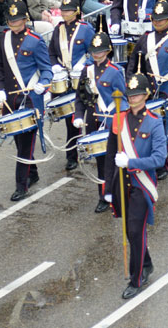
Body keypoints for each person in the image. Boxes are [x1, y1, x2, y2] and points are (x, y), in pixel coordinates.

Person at [103, 70, 166, 300]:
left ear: (146, 95)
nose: (132, 98)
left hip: (141, 186)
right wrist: (107, 190)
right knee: (132, 234)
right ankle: (146, 263)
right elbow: (111, 156)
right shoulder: (118, 118)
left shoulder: (154, 123)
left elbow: (159, 159)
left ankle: (137, 279)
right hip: (121, 185)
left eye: (137, 94)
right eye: (130, 94)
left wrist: (131, 162)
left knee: (134, 231)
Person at [0, 0, 52, 201]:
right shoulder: (4, 39)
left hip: (30, 101)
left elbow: (46, 70)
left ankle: (21, 186)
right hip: (11, 100)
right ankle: (32, 172)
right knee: (19, 142)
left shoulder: (35, 41)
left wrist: (42, 84)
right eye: (10, 20)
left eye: (16, 20)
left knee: (26, 144)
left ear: (25, 19)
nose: (12, 23)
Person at [126, 0, 168, 180]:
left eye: (161, 20)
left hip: (167, 91)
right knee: (148, 128)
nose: (158, 22)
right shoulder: (145, 38)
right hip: (147, 91)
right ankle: (163, 154)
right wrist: (130, 81)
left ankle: (162, 163)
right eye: (155, 19)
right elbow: (133, 62)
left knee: (162, 128)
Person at [72, 22, 126, 213]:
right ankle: (103, 195)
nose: (96, 54)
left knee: (113, 159)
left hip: (111, 121)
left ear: (107, 51)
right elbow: (80, 97)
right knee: (100, 161)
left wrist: (118, 119)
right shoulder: (87, 71)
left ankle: (116, 192)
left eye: (100, 50)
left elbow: (124, 100)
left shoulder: (115, 72)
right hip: (93, 120)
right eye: (94, 50)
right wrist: (78, 116)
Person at [48, 0, 94, 170]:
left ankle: (91, 146)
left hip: (81, 78)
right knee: (70, 118)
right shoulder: (58, 29)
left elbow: (94, 52)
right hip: (65, 79)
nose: (64, 13)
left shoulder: (86, 28)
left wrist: (84, 67)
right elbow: (51, 52)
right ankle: (72, 155)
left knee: (87, 115)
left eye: (68, 10)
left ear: (76, 12)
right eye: (63, 10)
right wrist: (54, 66)